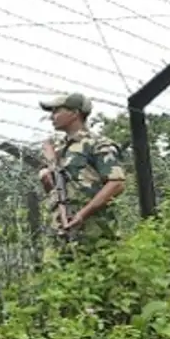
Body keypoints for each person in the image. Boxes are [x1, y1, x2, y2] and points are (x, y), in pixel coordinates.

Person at [36, 93, 125, 256]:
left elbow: (116, 184)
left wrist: (82, 215)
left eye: (57, 111)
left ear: (75, 113)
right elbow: (55, 190)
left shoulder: (98, 144)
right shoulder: (58, 149)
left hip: (97, 234)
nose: (51, 117)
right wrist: (47, 175)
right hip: (63, 232)